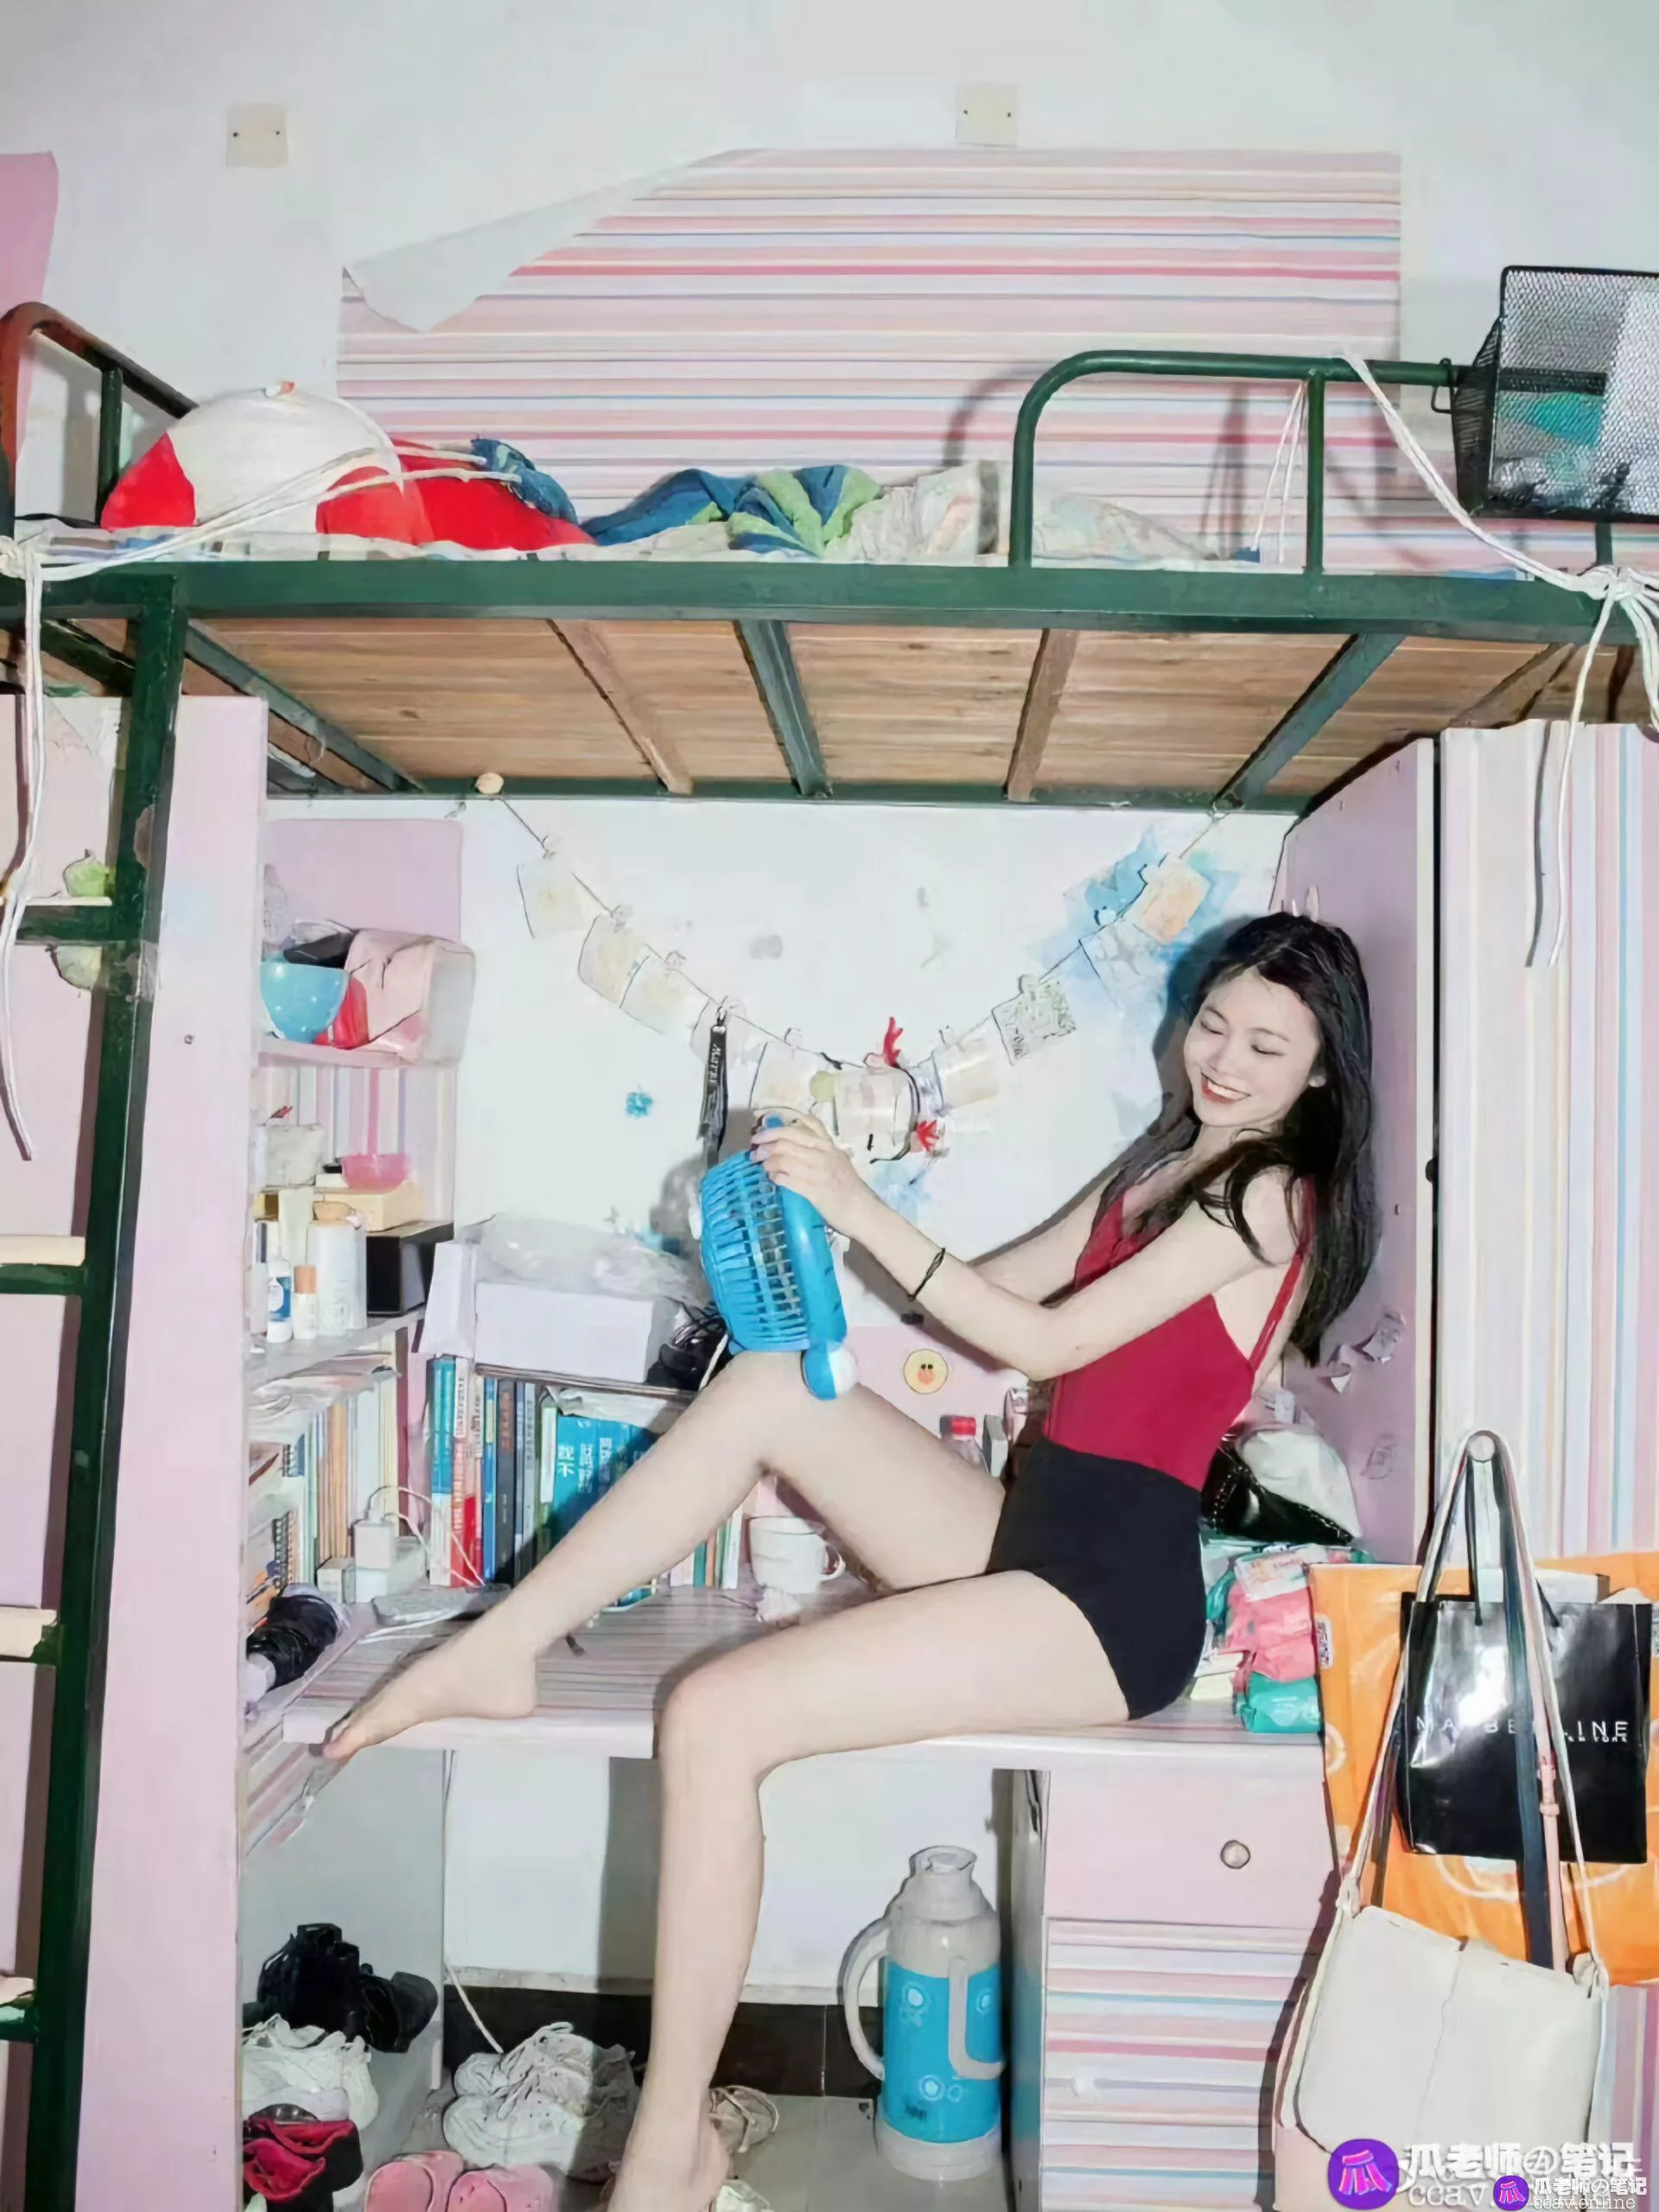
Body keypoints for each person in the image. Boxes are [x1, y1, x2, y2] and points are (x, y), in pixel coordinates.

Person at [325, 912, 1377, 2212]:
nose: (1222, 1059)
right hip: (1034, 1530)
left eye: (1267, 1047)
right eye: (1213, 1023)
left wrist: (861, 1202)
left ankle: (667, 2153)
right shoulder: (1163, 1165)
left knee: (714, 1718)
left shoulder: (1268, 1196)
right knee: (773, 1384)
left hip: (1108, 1605)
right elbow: (978, 1298)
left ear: (1320, 1074)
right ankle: (500, 1648)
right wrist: (814, 1236)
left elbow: (1046, 1348)